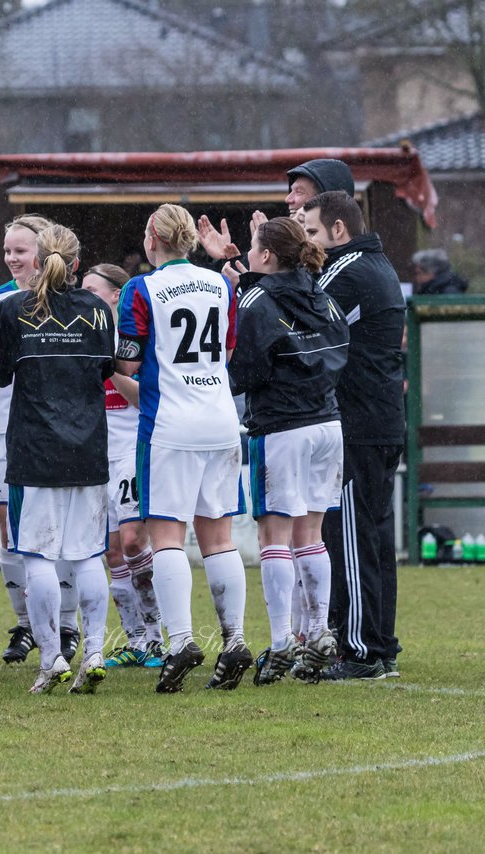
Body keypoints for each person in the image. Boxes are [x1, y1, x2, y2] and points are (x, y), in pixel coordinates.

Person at [116, 204, 248, 694]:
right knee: (219, 537)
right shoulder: (220, 285)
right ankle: (234, 640)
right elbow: (228, 353)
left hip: (170, 423)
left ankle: (181, 642)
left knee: (167, 536)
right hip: (219, 420)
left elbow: (127, 365)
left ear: (153, 237)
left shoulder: (141, 288)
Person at [0, 224, 116, 694]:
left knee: (36, 555)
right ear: (77, 264)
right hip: (87, 447)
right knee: (86, 557)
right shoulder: (98, 310)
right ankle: (96, 650)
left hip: (33, 449)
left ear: (39, 261)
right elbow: (104, 370)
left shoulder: (13, 309)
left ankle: (51, 658)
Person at [223, 217, 349, 685]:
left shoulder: (259, 300)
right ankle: (316, 632)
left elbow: (244, 371)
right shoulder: (320, 293)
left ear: (267, 256)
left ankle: (278, 645)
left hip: (281, 427)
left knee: (273, 538)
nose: (251, 255)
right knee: (311, 535)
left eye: (254, 247)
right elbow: (338, 350)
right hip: (328, 423)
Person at [302, 190, 406, 680]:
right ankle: (380, 644)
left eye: (312, 233)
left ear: (338, 230)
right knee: (375, 540)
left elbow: (299, 313)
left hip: (358, 425)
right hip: (382, 421)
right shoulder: (380, 265)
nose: (308, 245)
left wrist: (253, 272)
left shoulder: (348, 270)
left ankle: (361, 650)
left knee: (352, 540)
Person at [80, 263, 165, 670]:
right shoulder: (81, 335)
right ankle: (134, 641)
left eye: (94, 290)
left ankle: (158, 637)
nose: (86, 296)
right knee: (112, 551)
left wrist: (110, 368)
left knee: (134, 542)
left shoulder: (130, 340)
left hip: (132, 449)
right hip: (98, 454)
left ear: (116, 295)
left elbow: (141, 397)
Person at [0, 214, 52, 666]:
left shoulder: (66, 303)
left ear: (44, 253)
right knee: (9, 531)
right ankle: (26, 624)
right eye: (7, 250)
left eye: (20, 250)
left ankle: (63, 627)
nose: (12, 258)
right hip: (5, 430)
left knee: (54, 533)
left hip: (53, 430)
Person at [197, 158, 355, 265]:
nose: (288, 199)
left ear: (326, 201)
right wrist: (228, 260)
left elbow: (288, 303)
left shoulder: (346, 268)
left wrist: (273, 250)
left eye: (299, 192)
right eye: (290, 191)